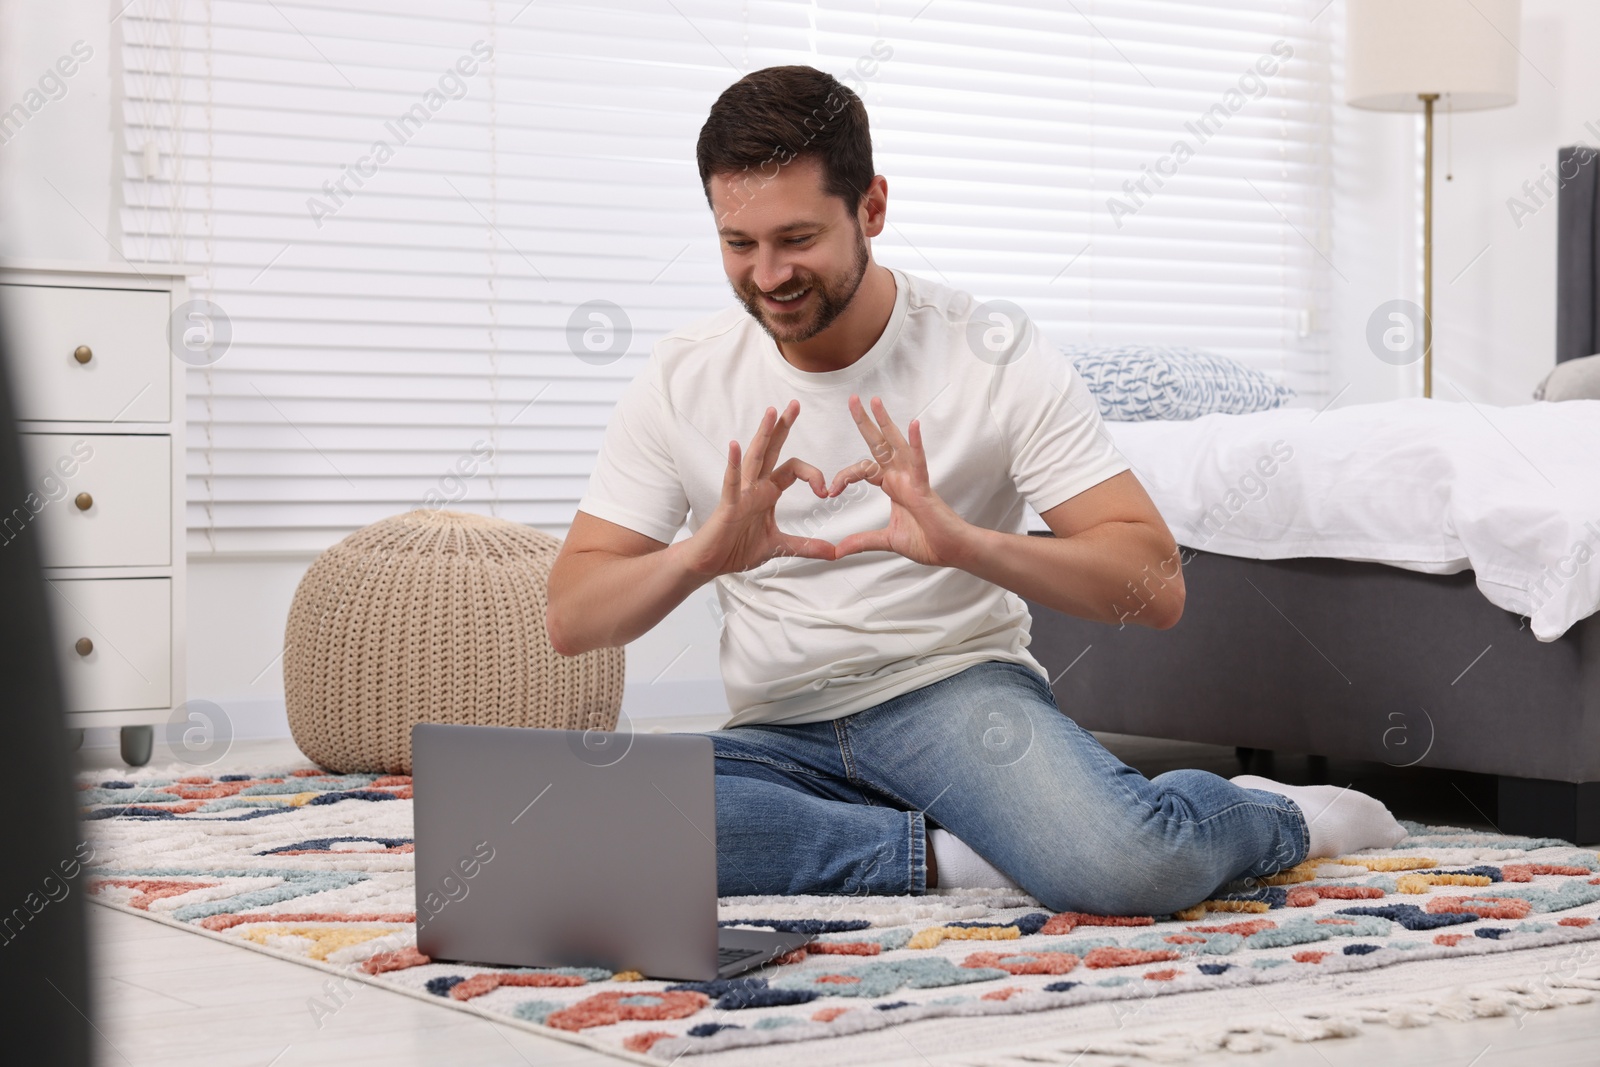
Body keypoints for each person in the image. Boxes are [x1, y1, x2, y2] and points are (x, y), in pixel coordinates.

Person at [545, 65, 1405, 914]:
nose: (767, 276)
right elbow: (572, 614)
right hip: (777, 731)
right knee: (563, 822)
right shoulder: (683, 377)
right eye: (740, 244)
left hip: (955, 700)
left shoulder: (988, 352)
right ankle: (952, 857)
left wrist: (967, 545)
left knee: (1131, 865)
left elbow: (1156, 583)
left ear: (871, 208)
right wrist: (700, 557)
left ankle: (1286, 813)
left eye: (797, 239)